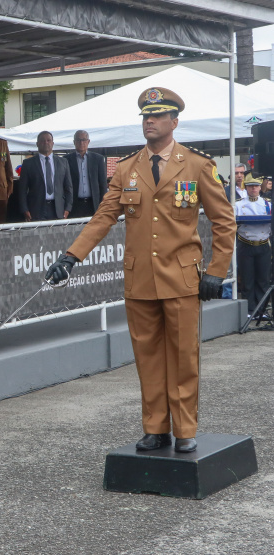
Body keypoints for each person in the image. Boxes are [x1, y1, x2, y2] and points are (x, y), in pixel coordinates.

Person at [46, 87, 236, 454]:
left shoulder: (197, 165)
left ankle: (184, 429)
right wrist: (71, 257)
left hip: (181, 279)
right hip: (140, 279)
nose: (150, 121)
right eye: (146, 116)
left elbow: (224, 222)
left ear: (174, 121)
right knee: (147, 357)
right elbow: (103, 217)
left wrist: (216, 271)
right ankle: (155, 428)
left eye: (158, 115)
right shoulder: (128, 167)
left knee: (182, 357)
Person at [235, 175, 271, 317]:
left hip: (263, 244)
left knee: (263, 279)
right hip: (246, 243)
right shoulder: (238, 205)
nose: (253, 189)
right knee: (247, 279)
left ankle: (261, 310)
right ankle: (249, 310)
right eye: (250, 186)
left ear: (260, 187)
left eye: (256, 186)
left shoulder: (268, 204)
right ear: (246, 187)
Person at [16, 130, 72, 221]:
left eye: (48, 140)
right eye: (42, 140)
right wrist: (24, 209)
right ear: (37, 143)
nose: (46, 143)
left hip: (58, 209)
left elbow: (68, 187)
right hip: (36, 209)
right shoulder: (28, 163)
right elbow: (22, 189)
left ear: (53, 143)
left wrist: (68, 208)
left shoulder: (63, 162)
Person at [65, 130, 108, 218]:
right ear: (74, 142)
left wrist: (102, 205)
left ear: (88, 142)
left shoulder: (98, 159)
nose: (81, 143)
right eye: (78, 140)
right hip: (74, 205)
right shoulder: (66, 160)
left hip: (93, 204)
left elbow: (103, 184)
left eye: (84, 140)